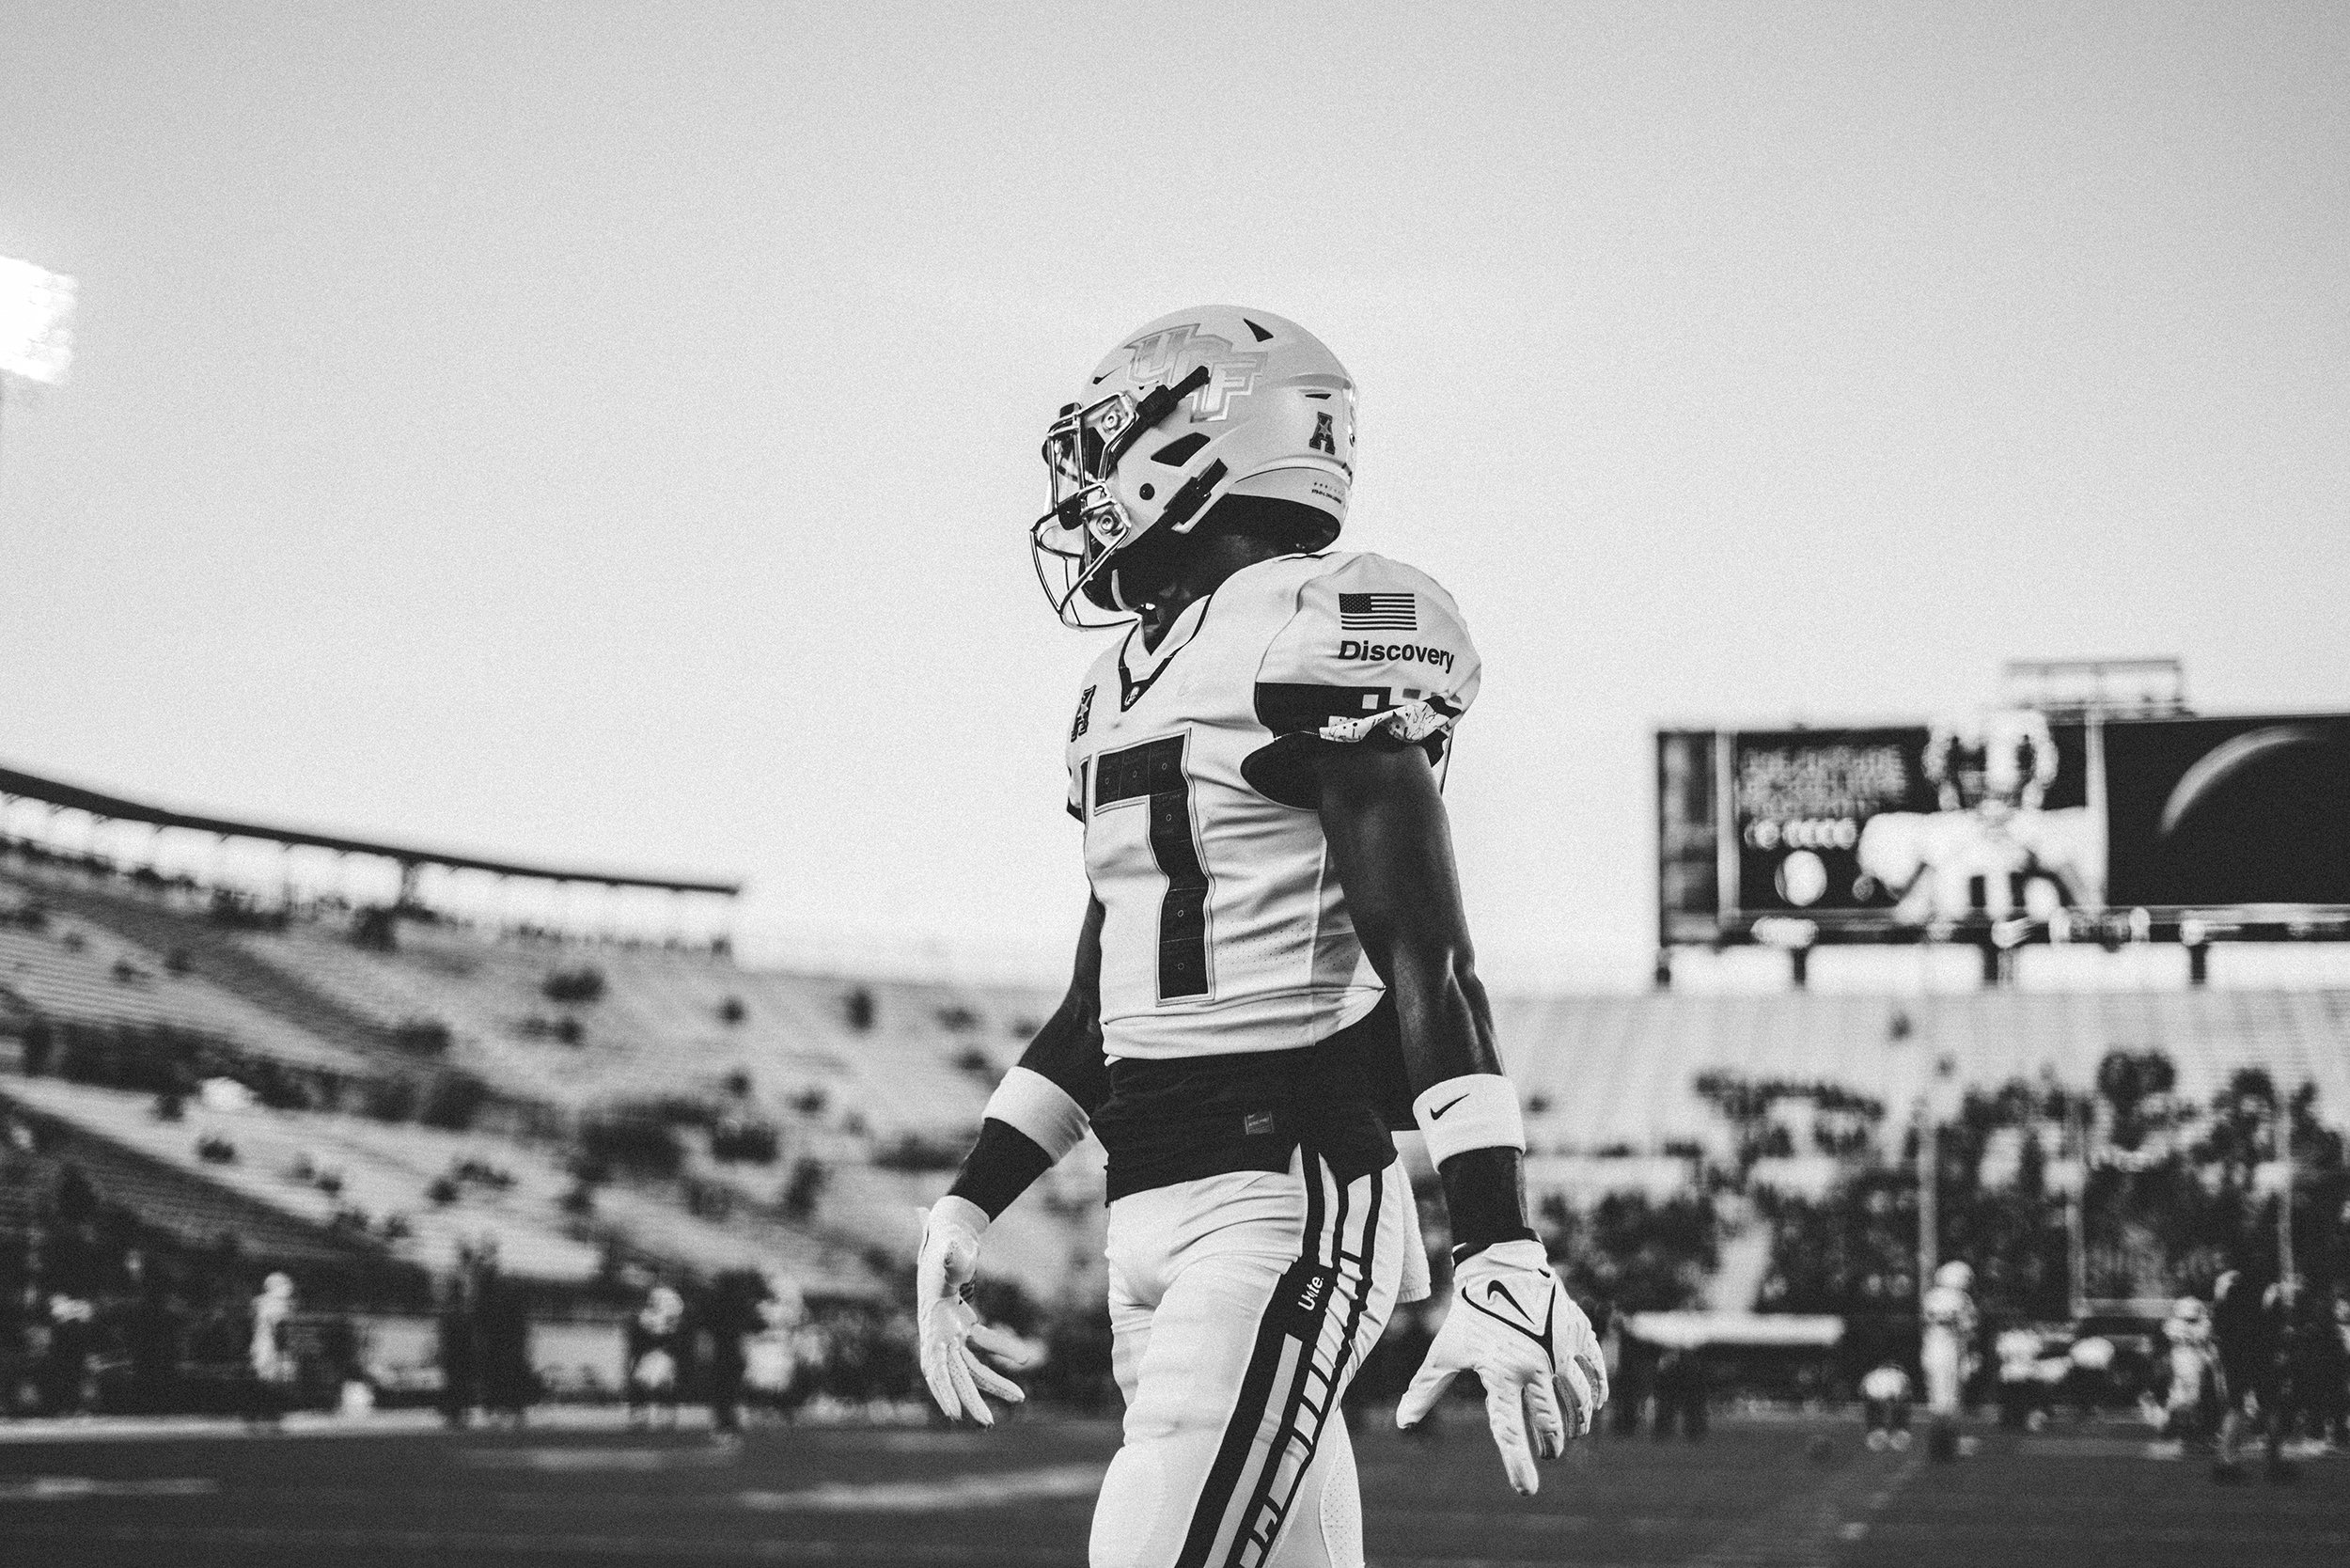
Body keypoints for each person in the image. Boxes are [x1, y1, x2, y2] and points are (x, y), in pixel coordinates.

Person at [912, 306, 1607, 1568]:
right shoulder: (1121, 679)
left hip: (1283, 1189)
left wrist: (1497, 1238)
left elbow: (1430, 961)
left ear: (1196, 441)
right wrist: (965, 1209)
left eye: (1103, 444)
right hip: (1151, 1199)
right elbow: (1101, 1004)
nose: (1081, 486)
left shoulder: (1318, 624)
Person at [1920, 1260, 1976, 1461]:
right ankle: (1946, 1446)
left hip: (1931, 1351)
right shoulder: (1961, 1299)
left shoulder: (1931, 1297)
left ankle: (1939, 1446)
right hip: (1949, 1352)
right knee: (1950, 1401)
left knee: (1937, 1400)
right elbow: (1967, 1330)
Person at [1861, 1361, 1914, 1451]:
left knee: (1888, 1411)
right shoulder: (1896, 1378)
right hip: (1879, 1390)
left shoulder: (1892, 1378)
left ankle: (1886, 1429)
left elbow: (1863, 1392)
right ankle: (1888, 1429)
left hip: (1877, 1390)